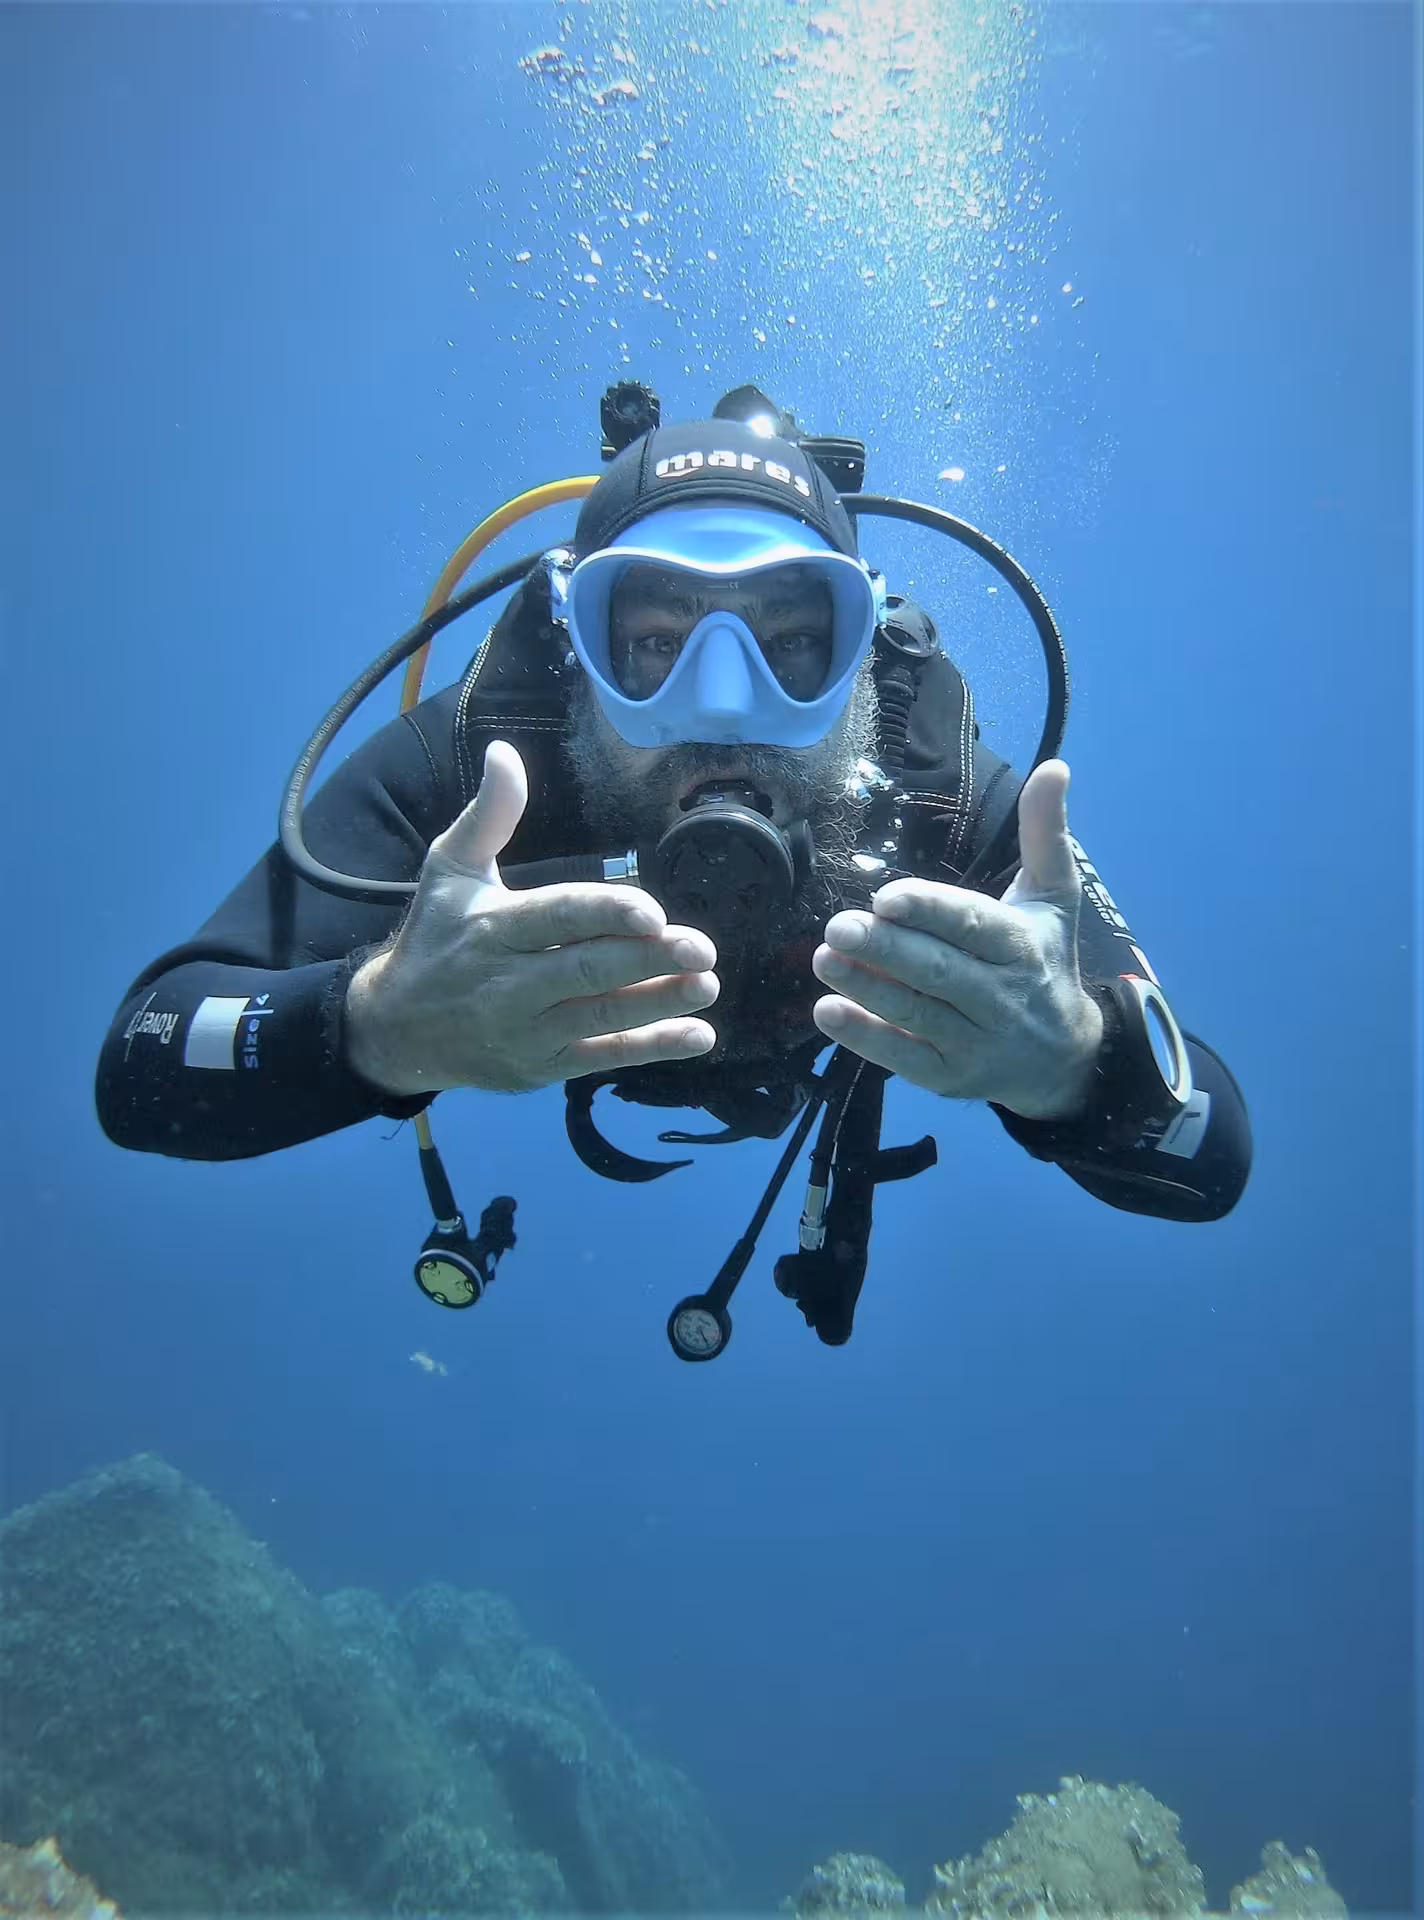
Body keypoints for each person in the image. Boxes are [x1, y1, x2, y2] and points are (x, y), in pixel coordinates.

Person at [96, 392, 1251, 1349]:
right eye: (652, 641)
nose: (723, 701)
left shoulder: (945, 794)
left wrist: (1072, 1060)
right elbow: (145, 1055)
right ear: (571, 644)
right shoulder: (483, 759)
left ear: (863, 648)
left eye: (793, 641)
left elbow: (1209, 1150)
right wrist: (377, 1026)